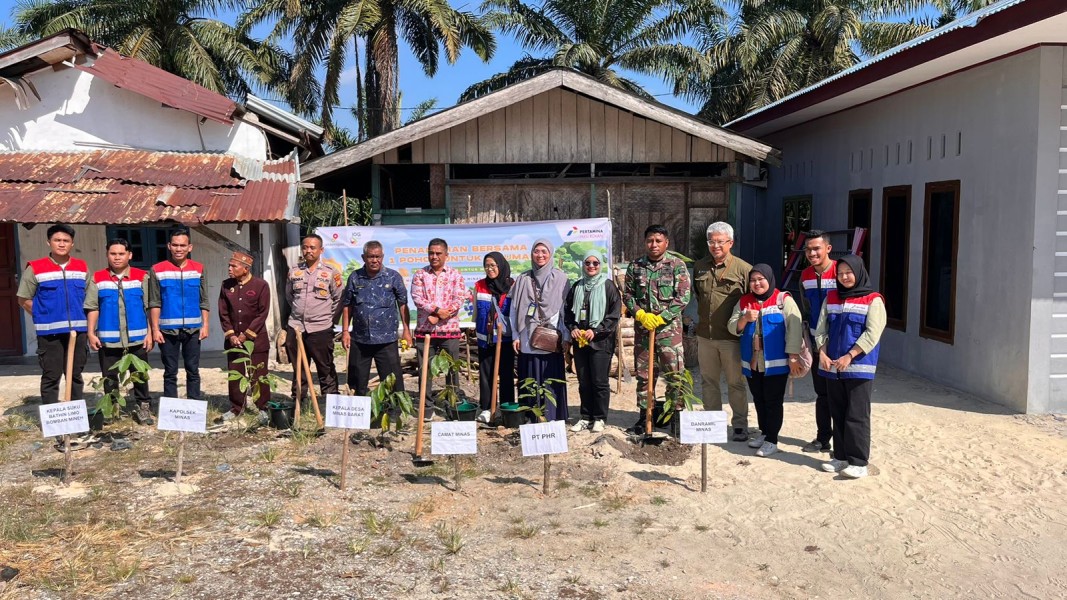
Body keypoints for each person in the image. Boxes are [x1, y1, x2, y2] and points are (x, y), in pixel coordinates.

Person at [815, 255, 886, 479]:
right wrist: (822, 352)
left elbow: (873, 333)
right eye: (840, 273)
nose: (844, 277)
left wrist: (850, 355)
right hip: (832, 367)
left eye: (849, 272)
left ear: (859, 273)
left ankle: (858, 462)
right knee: (837, 412)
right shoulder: (831, 297)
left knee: (856, 415)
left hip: (858, 367)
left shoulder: (873, 300)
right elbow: (821, 328)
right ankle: (841, 457)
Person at [728, 264, 803, 457]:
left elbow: (795, 328)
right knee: (759, 399)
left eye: (761, 279)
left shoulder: (783, 300)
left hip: (776, 364)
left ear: (769, 279)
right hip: (753, 362)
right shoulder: (744, 301)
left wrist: (793, 356)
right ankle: (764, 433)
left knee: (773, 401)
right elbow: (732, 326)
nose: (757, 283)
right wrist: (744, 318)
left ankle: (772, 440)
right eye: (753, 280)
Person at [623, 225, 691, 434]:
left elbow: (683, 297)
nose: (654, 245)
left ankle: (675, 418)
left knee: (674, 375)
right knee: (644, 375)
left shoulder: (676, 265)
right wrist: (640, 314)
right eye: (650, 241)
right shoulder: (636, 266)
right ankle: (645, 417)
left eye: (658, 241)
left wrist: (662, 317)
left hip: (669, 333)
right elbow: (628, 295)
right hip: (644, 331)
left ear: (666, 243)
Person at [16, 223, 89, 406]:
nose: (61, 244)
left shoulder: (81, 267)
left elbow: (90, 298)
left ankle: (75, 414)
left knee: (75, 375)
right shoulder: (35, 268)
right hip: (49, 333)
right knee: (51, 375)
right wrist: (42, 316)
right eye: (57, 240)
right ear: (48, 242)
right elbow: (23, 299)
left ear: (72, 243)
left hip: (78, 331)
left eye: (66, 240)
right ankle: (52, 417)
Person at [692, 221, 753, 441]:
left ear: (730, 243)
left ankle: (740, 425)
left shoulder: (744, 269)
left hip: (732, 338)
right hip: (705, 336)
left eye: (720, 241)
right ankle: (713, 425)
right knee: (709, 382)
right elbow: (698, 296)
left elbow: (750, 301)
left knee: (736, 382)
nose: (715, 246)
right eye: (711, 241)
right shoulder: (699, 266)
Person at [84, 238, 154, 425]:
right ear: (107, 255)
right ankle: (112, 408)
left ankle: (143, 407)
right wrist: (91, 333)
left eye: (121, 253)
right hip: (108, 339)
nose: (117, 257)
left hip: (138, 338)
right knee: (109, 377)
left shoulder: (142, 277)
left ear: (130, 255)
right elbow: (92, 307)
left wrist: (150, 333)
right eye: (113, 254)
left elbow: (149, 307)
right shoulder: (98, 278)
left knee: (140, 375)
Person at [341, 241, 412, 395]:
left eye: (377, 257)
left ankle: (394, 409)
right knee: (357, 383)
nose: (374, 260)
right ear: (363, 257)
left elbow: (402, 304)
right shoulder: (355, 277)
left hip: (386, 340)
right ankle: (360, 408)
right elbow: (347, 305)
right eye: (370, 257)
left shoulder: (393, 277)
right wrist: (345, 331)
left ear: (382, 257)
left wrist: (406, 330)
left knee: (392, 383)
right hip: (360, 340)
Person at [510, 240, 570, 422]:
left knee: (551, 378)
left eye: (544, 251)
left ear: (550, 254)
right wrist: (515, 335)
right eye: (536, 251)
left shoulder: (561, 278)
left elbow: (565, 311)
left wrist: (566, 336)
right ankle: (531, 416)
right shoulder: (522, 279)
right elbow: (514, 310)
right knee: (529, 376)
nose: (540, 255)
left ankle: (553, 416)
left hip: (551, 337)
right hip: (527, 336)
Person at [411, 238, 468, 420]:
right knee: (425, 370)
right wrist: (436, 310)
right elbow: (417, 298)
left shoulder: (455, 275)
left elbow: (459, 299)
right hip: (425, 332)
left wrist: (442, 315)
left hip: (449, 331)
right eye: (431, 253)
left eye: (438, 253)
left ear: (446, 255)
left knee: (452, 370)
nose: (434, 256)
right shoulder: (420, 274)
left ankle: (452, 407)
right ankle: (426, 407)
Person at [564, 249, 621, 433]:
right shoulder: (577, 286)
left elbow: (614, 315)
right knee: (584, 381)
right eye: (587, 263)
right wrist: (573, 328)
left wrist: (596, 331)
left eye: (595, 263)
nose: (591, 266)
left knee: (599, 381)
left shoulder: (608, 286)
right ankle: (585, 417)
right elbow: (568, 312)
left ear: (600, 265)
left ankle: (599, 418)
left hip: (601, 342)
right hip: (580, 342)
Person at [149, 229, 209, 400]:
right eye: (175, 245)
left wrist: (205, 325)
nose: (179, 249)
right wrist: (155, 329)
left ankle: (193, 405)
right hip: (167, 331)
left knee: (193, 370)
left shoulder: (198, 269)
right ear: (169, 246)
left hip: (193, 330)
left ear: (190, 247)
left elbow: (204, 300)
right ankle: (171, 409)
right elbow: (154, 302)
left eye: (183, 245)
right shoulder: (157, 269)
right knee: (170, 371)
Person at [285, 234, 343, 403]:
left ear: (321, 250)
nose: (308, 251)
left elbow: (339, 299)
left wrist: (328, 320)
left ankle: (330, 401)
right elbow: (289, 296)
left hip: (321, 328)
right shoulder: (294, 271)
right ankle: (299, 401)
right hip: (296, 326)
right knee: (299, 367)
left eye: (312, 247)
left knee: (325, 366)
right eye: (305, 247)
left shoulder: (331, 272)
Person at [218, 251, 272, 421]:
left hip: (256, 340)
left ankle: (263, 407)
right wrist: (231, 335)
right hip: (234, 341)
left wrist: (246, 335)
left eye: (234, 266)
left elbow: (262, 313)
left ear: (246, 269)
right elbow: (223, 313)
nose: (229, 268)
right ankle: (236, 408)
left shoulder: (261, 285)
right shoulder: (226, 285)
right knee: (235, 375)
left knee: (259, 375)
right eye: (229, 265)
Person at [799, 230, 836, 453]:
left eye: (816, 248)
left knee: (840, 394)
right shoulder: (805, 276)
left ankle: (843, 442)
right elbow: (806, 309)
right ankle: (823, 438)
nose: (812, 253)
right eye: (808, 249)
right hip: (815, 343)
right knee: (822, 394)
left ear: (828, 249)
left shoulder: (842, 272)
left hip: (840, 344)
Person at [472, 251, 514, 423]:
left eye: (493, 265)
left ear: (501, 265)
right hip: (486, 338)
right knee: (486, 374)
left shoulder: (512, 286)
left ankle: (506, 407)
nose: (489, 269)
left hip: (505, 339)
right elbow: (476, 312)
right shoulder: (480, 285)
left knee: (506, 374)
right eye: (486, 266)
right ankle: (487, 408)